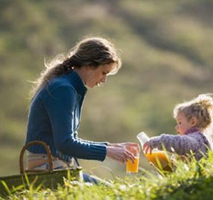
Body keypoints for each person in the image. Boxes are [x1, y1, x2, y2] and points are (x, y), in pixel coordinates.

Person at [25, 36, 139, 184]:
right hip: (49, 169)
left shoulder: (67, 87)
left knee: (112, 189)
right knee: (114, 192)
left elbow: (67, 141)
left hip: (57, 167)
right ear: (88, 66)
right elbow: (65, 143)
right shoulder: (63, 89)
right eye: (104, 73)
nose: (104, 80)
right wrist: (107, 152)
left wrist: (110, 146)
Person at [143, 93, 213, 161]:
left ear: (193, 122)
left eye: (180, 122)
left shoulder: (197, 139)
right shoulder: (201, 140)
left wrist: (155, 141)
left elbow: (178, 142)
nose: (176, 127)